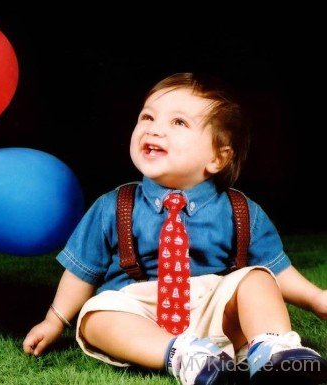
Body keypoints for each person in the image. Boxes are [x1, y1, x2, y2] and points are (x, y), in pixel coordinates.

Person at [22, 73, 327, 385]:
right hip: (137, 308)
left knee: (258, 279)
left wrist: (316, 298)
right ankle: (183, 356)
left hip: (214, 306)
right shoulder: (112, 206)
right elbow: (81, 271)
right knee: (96, 316)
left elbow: (279, 270)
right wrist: (54, 320)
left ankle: (272, 350)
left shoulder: (241, 210)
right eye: (148, 117)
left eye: (178, 123)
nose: (155, 129)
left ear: (217, 158)